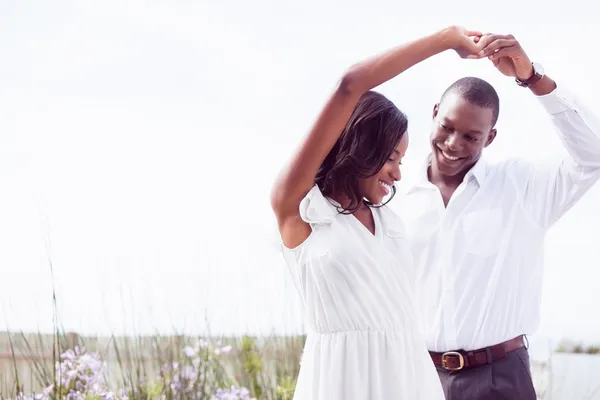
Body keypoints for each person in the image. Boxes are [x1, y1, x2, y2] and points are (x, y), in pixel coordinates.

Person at [269, 26, 487, 399]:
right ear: (358, 146)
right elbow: (350, 85)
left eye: (401, 160)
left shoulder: (390, 222)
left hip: (407, 378)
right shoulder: (302, 210)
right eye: (389, 158)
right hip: (340, 383)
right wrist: (447, 39)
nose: (398, 173)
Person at [392, 32, 600, 399]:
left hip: (500, 380)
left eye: (471, 136)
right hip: (416, 378)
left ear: (490, 138)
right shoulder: (393, 198)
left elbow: (593, 154)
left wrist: (533, 77)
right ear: (434, 114)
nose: (454, 144)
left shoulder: (523, 187)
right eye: (447, 127)